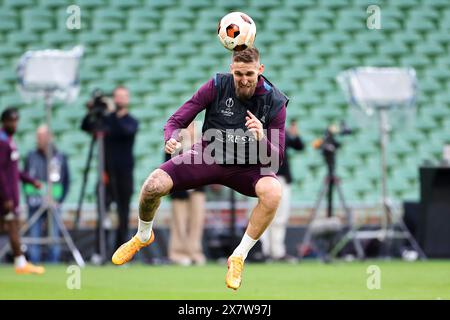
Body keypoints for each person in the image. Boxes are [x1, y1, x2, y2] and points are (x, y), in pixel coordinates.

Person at [112, 47, 287, 291]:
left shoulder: (275, 100)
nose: (244, 79)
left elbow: (277, 157)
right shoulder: (216, 85)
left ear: (260, 70)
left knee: (273, 191)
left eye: (249, 73)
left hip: (247, 166)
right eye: (238, 74)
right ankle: (143, 235)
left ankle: (238, 256)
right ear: (231, 70)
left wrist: (261, 137)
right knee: (153, 185)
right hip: (208, 156)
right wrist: (171, 137)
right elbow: (176, 120)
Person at [81, 86, 139, 256]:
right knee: (102, 211)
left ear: (127, 100)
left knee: (123, 213)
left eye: (123, 96)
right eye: (117, 97)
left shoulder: (131, 121)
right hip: (105, 173)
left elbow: (124, 130)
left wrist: (111, 113)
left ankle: (121, 252)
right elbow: (85, 126)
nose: (120, 99)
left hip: (124, 174)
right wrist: (92, 111)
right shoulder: (106, 120)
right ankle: (100, 252)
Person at [0, 107, 44, 274]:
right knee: (12, 226)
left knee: (11, 226)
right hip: (6, 195)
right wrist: (6, 196)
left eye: (16, 121)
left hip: (9, 194)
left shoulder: (9, 141)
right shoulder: (2, 142)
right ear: (4, 122)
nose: (14, 124)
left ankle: (20, 262)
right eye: (11, 121)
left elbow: (13, 171)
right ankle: (20, 263)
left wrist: (31, 181)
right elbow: (1, 172)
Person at [23, 124, 70, 263]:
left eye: (42, 136)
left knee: (54, 236)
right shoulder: (30, 156)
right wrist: (29, 198)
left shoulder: (60, 157)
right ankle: (34, 262)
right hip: (34, 203)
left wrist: (60, 200)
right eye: (38, 136)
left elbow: (66, 181)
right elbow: (25, 178)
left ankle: (53, 263)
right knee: (34, 236)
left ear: (49, 137)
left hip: (54, 203)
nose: (39, 139)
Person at [260, 119, 304, 262]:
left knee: (280, 216)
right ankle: (262, 250)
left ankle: (277, 251)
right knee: (262, 216)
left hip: (281, 178)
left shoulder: (281, 132)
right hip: (264, 178)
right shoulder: (259, 130)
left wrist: (295, 135)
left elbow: (299, 146)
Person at [166, 123, 206, 266]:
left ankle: (195, 252)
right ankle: (178, 253)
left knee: (197, 221)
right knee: (179, 222)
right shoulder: (174, 140)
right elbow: (168, 164)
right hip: (179, 188)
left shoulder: (203, 141)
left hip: (198, 188)